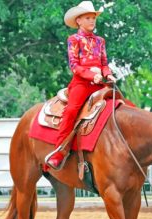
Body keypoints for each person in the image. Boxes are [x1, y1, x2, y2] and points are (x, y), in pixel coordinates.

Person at [45, 1, 117, 170]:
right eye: (88, 18)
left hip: (100, 83)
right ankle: (59, 151)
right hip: (81, 84)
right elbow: (74, 66)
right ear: (78, 20)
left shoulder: (100, 41)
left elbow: (104, 63)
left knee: (119, 105)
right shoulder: (74, 40)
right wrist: (93, 75)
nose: (92, 21)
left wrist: (108, 74)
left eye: (93, 18)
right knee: (70, 111)